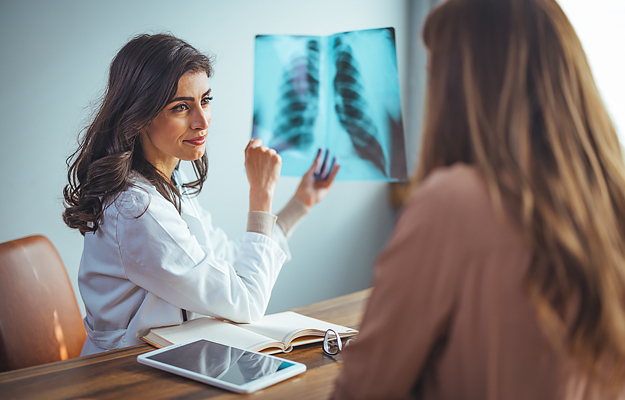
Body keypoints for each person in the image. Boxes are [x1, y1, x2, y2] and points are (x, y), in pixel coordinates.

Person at [331, 0, 625, 398]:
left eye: (434, 75)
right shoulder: (609, 199)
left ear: (462, 87)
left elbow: (361, 391)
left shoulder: (452, 204)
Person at [62, 33, 339, 356]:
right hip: (126, 376)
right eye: (181, 107)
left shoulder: (167, 183)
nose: (202, 121)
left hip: (169, 360)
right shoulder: (137, 209)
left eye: (205, 101)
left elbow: (231, 265)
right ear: (138, 116)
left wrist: (301, 203)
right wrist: (261, 194)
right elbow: (246, 300)